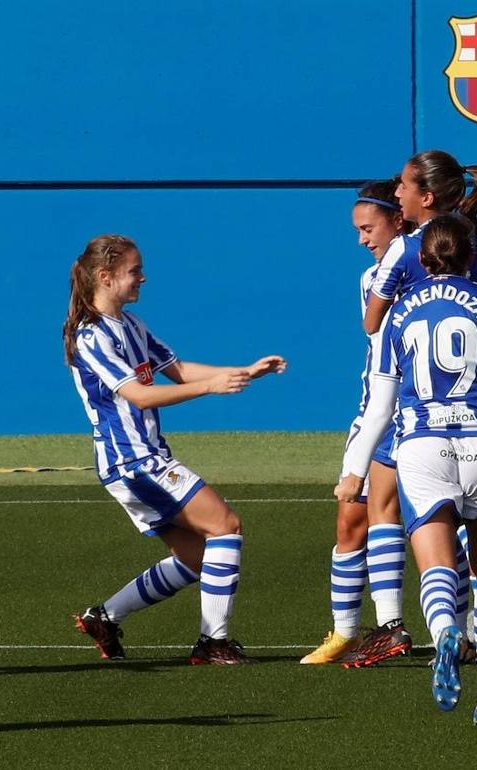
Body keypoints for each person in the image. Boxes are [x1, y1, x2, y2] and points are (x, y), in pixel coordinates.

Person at [338, 214, 477, 735]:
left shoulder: (399, 313)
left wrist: (354, 471)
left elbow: (380, 405)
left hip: (423, 446)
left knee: (436, 565)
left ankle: (444, 629)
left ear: (422, 259)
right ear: (470, 257)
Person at [65, 234, 286, 665]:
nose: (142, 278)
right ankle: (212, 643)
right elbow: (139, 395)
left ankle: (104, 617)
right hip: (132, 461)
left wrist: (243, 372)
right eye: (134, 271)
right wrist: (211, 387)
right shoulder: (91, 337)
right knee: (225, 525)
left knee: (199, 557)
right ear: (105, 277)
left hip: (146, 457)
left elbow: (178, 369)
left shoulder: (131, 325)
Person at [336, 151, 477, 667]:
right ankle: (475, 634)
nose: (397, 193)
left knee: (385, 507)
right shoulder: (476, 244)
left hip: (412, 400)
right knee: (470, 526)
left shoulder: (405, 250)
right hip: (476, 407)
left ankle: (398, 626)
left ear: (426, 197)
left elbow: (373, 323)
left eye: (404, 187)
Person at [300, 181, 408, 664]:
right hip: (374, 411)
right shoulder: (372, 279)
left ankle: (440, 628)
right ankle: (346, 631)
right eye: (358, 231)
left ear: (398, 220)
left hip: (415, 414)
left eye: (369, 228)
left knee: (428, 520)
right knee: (350, 520)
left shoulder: (426, 267)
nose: (363, 239)